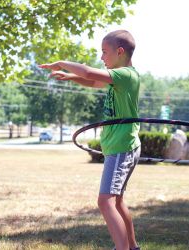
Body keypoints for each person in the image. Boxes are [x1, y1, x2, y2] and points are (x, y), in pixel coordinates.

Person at [39, 30, 141, 250]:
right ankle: (132, 247)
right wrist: (71, 78)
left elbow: (87, 72)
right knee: (117, 201)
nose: (102, 57)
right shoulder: (119, 79)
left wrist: (61, 63)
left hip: (121, 147)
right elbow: (92, 82)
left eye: (105, 52)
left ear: (120, 51)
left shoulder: (126, 75)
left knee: (105, 202)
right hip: (121, 146)